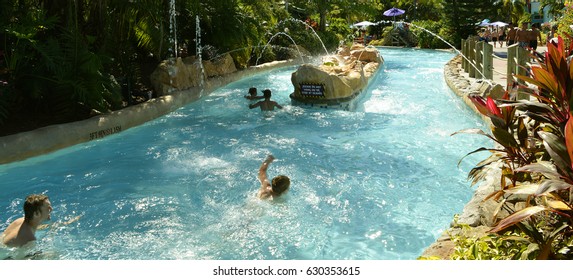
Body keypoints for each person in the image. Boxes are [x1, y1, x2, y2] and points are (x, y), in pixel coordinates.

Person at [1, 194, 80, 247]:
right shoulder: (29, 239)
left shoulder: (20, 221)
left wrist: (62, 224)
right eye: (48, 208)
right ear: (36, 214)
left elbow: (38, 227)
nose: (51, 209)